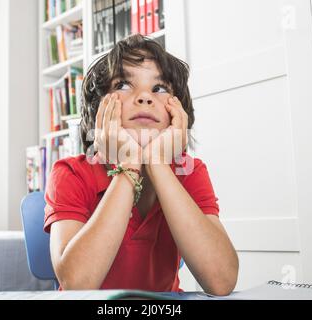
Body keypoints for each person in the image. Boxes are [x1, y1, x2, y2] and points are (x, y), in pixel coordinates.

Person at [44, 34, 238, 296]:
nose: (145, 97)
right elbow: (78, 285)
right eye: (124, 85)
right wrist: (129, 165)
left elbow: (221, 280)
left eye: (159, 89)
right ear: (98, 109)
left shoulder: (190, 171)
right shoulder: (70, 173)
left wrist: (157, 163)